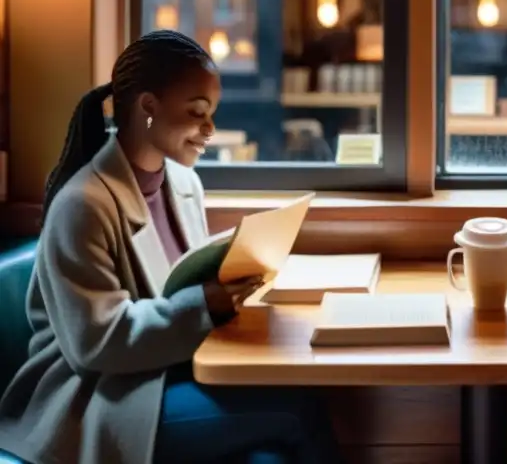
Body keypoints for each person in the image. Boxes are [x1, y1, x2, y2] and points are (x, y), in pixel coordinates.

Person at [0, 31, 340, 464]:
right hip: (98, 398)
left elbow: (184, 279)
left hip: (165, 373)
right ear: (147, 108)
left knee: (270, 452)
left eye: (213, 113)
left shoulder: (184, 184)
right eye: (198, 113)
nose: (210, 130)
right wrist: (204, 305)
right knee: (297, 409)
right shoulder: (82, 204)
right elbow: (96, 343)